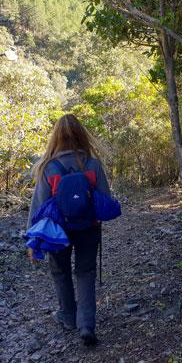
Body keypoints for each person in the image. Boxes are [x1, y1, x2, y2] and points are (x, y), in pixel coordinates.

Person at [27, 114, 110, 346]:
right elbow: (105, 198)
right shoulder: (93, 164)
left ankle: (69, 318)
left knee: (60, 272)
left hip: (57, 233)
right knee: (85, 273)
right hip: (88, 229)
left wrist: (32, 242)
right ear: (82, 135)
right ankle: (86, 325)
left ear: (56, 137)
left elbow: (38, 208)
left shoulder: (48, 168)